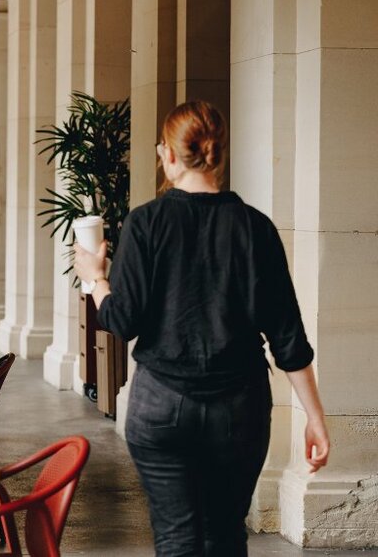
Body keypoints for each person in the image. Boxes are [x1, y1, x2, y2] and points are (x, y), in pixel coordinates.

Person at [74, 100, 329, 556]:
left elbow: (121, 320)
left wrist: (96, 278)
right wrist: (315, 418)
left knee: (177, 540)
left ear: (169, 156)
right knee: (226, 536)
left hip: (160, 404)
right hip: (239, 409)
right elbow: (288, 339)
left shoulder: (145, 225)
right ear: (218, 154)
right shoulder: (256, 229)